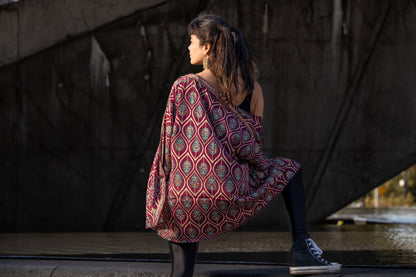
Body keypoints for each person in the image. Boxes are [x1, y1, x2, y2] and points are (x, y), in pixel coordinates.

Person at [146, 14, 341, 276]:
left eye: (191, 41)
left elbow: (169, 149)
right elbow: (253, 149)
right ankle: (302, 250)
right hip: (232, 193)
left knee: (181, 271)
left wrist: (160, 196)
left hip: (187, 198)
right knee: (291, 170)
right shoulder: (253, 90)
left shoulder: (184, 86)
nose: (188, 47)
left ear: (207, 47)